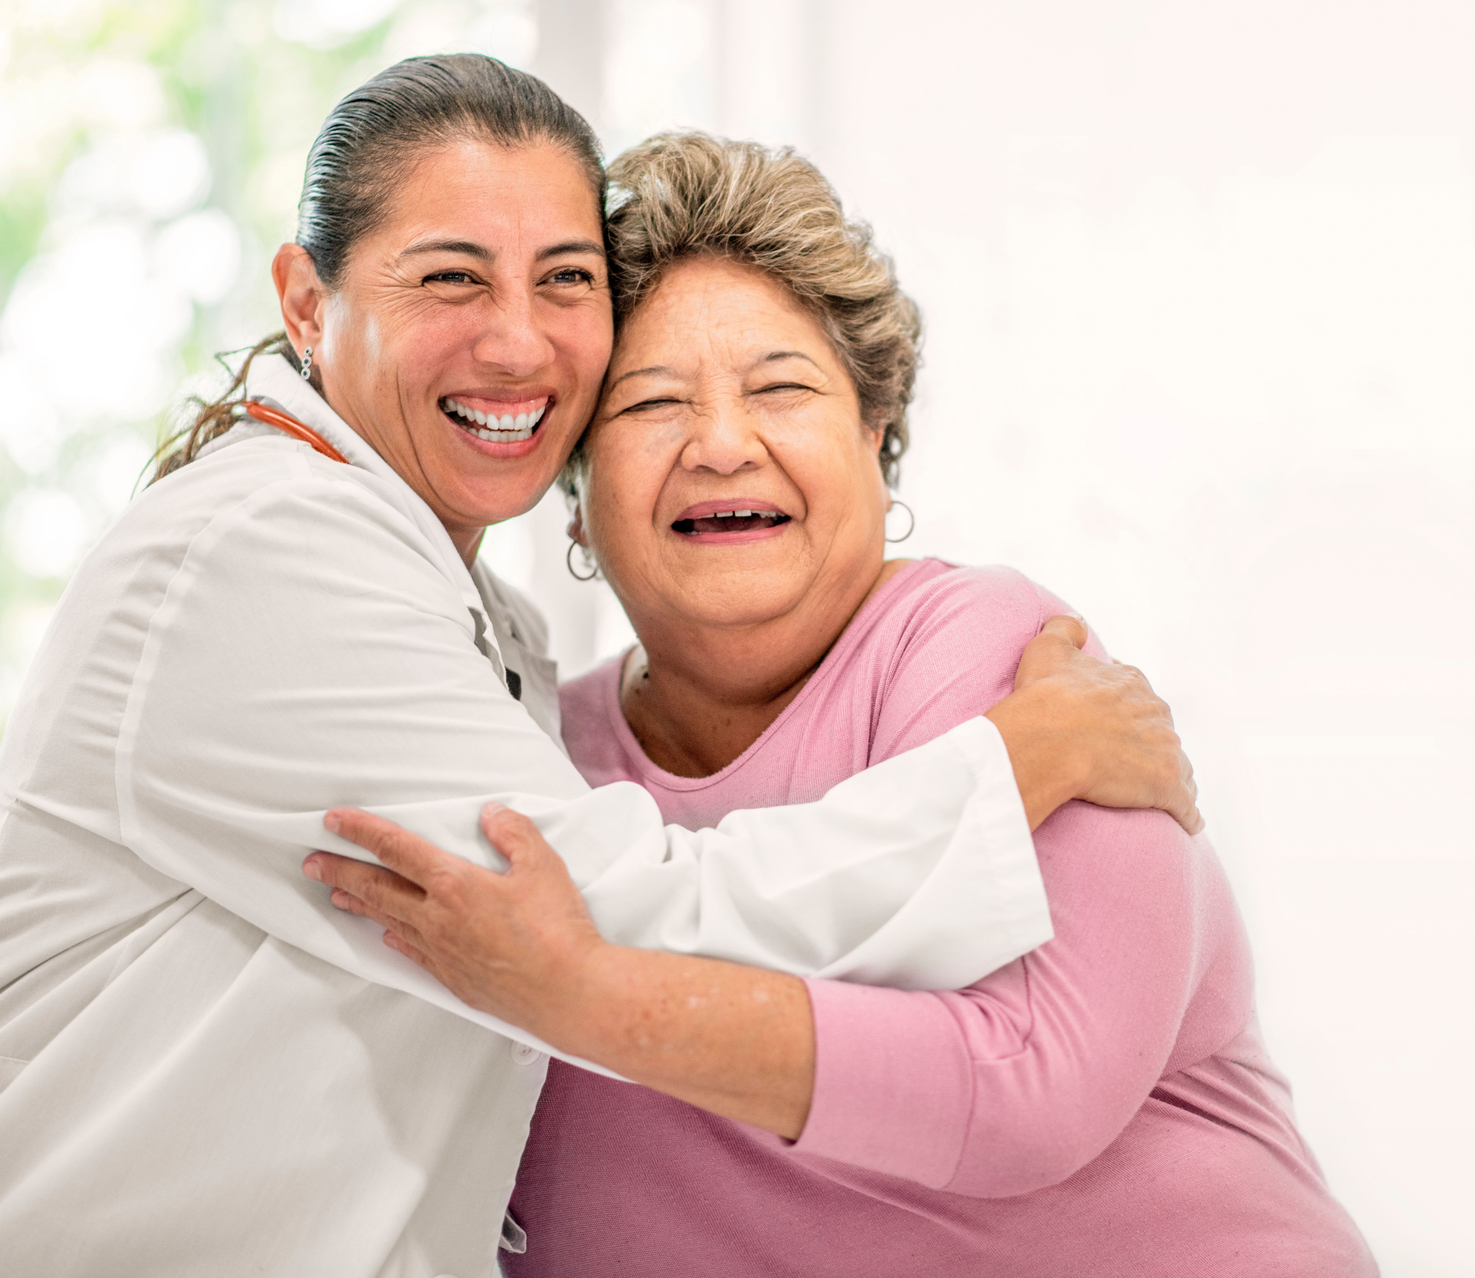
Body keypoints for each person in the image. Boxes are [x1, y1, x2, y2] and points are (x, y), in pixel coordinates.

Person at [0, 57, 1199, 1278]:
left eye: (563, 280)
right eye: (451, 277)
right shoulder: (266, 550)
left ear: (878, 427)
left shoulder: (496, 629)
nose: (515, 341)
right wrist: (1010, 767)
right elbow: (618, 922)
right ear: (307, 301)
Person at [307, 134, 1378, 1276]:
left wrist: (588, 996)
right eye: (650, 404)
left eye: (781, 389)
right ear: (573, 492)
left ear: (876, 434)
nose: (723, 446)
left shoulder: (1000, 661)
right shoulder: (527, 752)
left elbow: (1031, 1085)